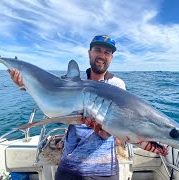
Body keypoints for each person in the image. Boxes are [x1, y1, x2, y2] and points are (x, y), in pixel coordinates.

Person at [9, 35, 125, 180]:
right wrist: (23, 84)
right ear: (89, 53)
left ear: (111, 57)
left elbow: (116, 127)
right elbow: (50, 94)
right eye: (97, 50)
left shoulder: (116, 86)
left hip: (102, 168)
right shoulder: (72, 84)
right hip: (69, 165)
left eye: (107, 52)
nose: (102, 55)